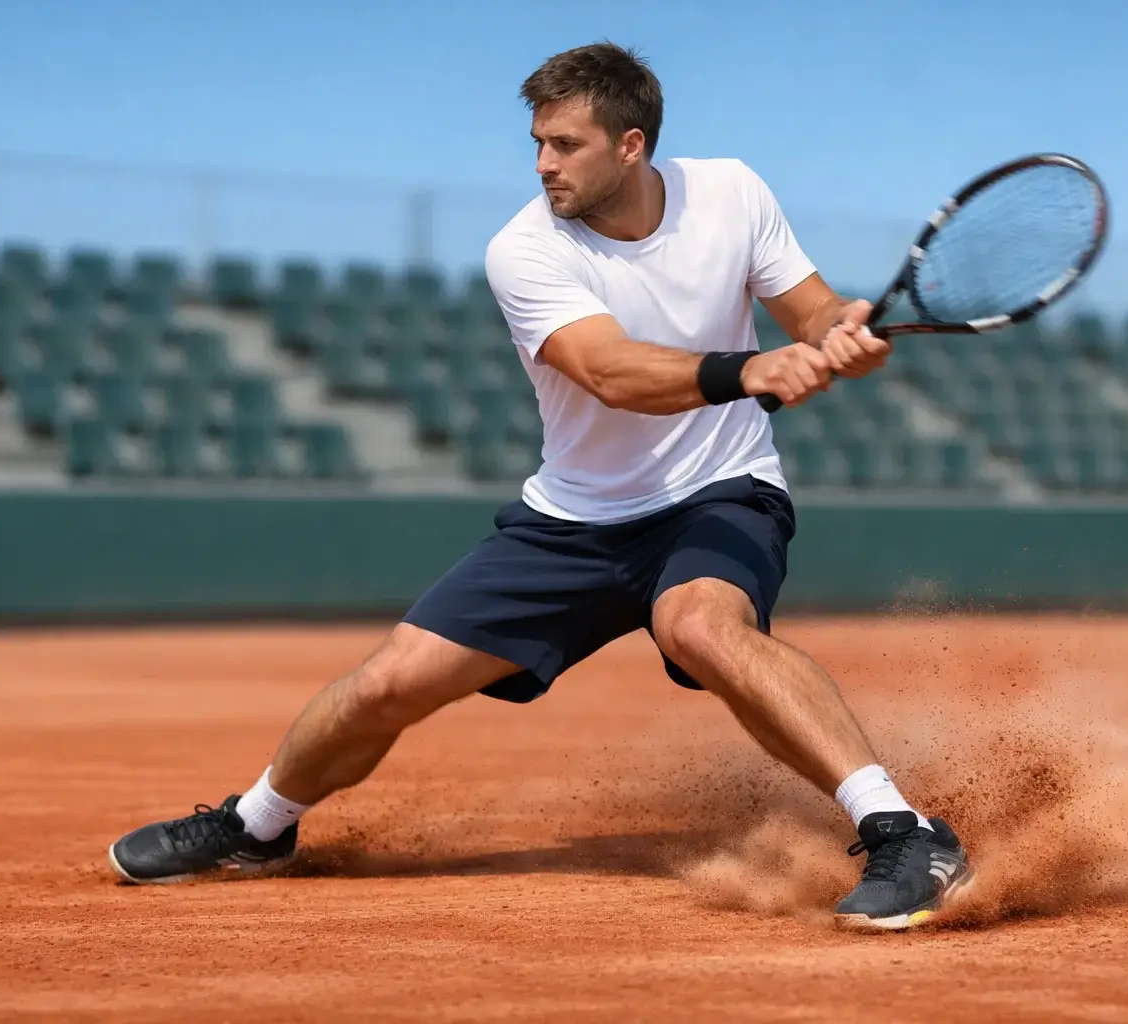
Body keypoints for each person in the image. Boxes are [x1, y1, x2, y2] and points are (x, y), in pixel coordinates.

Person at [108, 41, 972, 931]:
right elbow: (612, 373)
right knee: (387, 684)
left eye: (565, 144)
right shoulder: (524, 249)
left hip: (720, 488)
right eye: (537, 142)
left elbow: (814, 310)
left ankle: (905, 830)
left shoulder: (732, 192)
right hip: (574, 519)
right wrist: (751, 370)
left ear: (631, 145)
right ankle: (257, 827)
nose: (542, 164)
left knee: (699, 624)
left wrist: (844, 331)